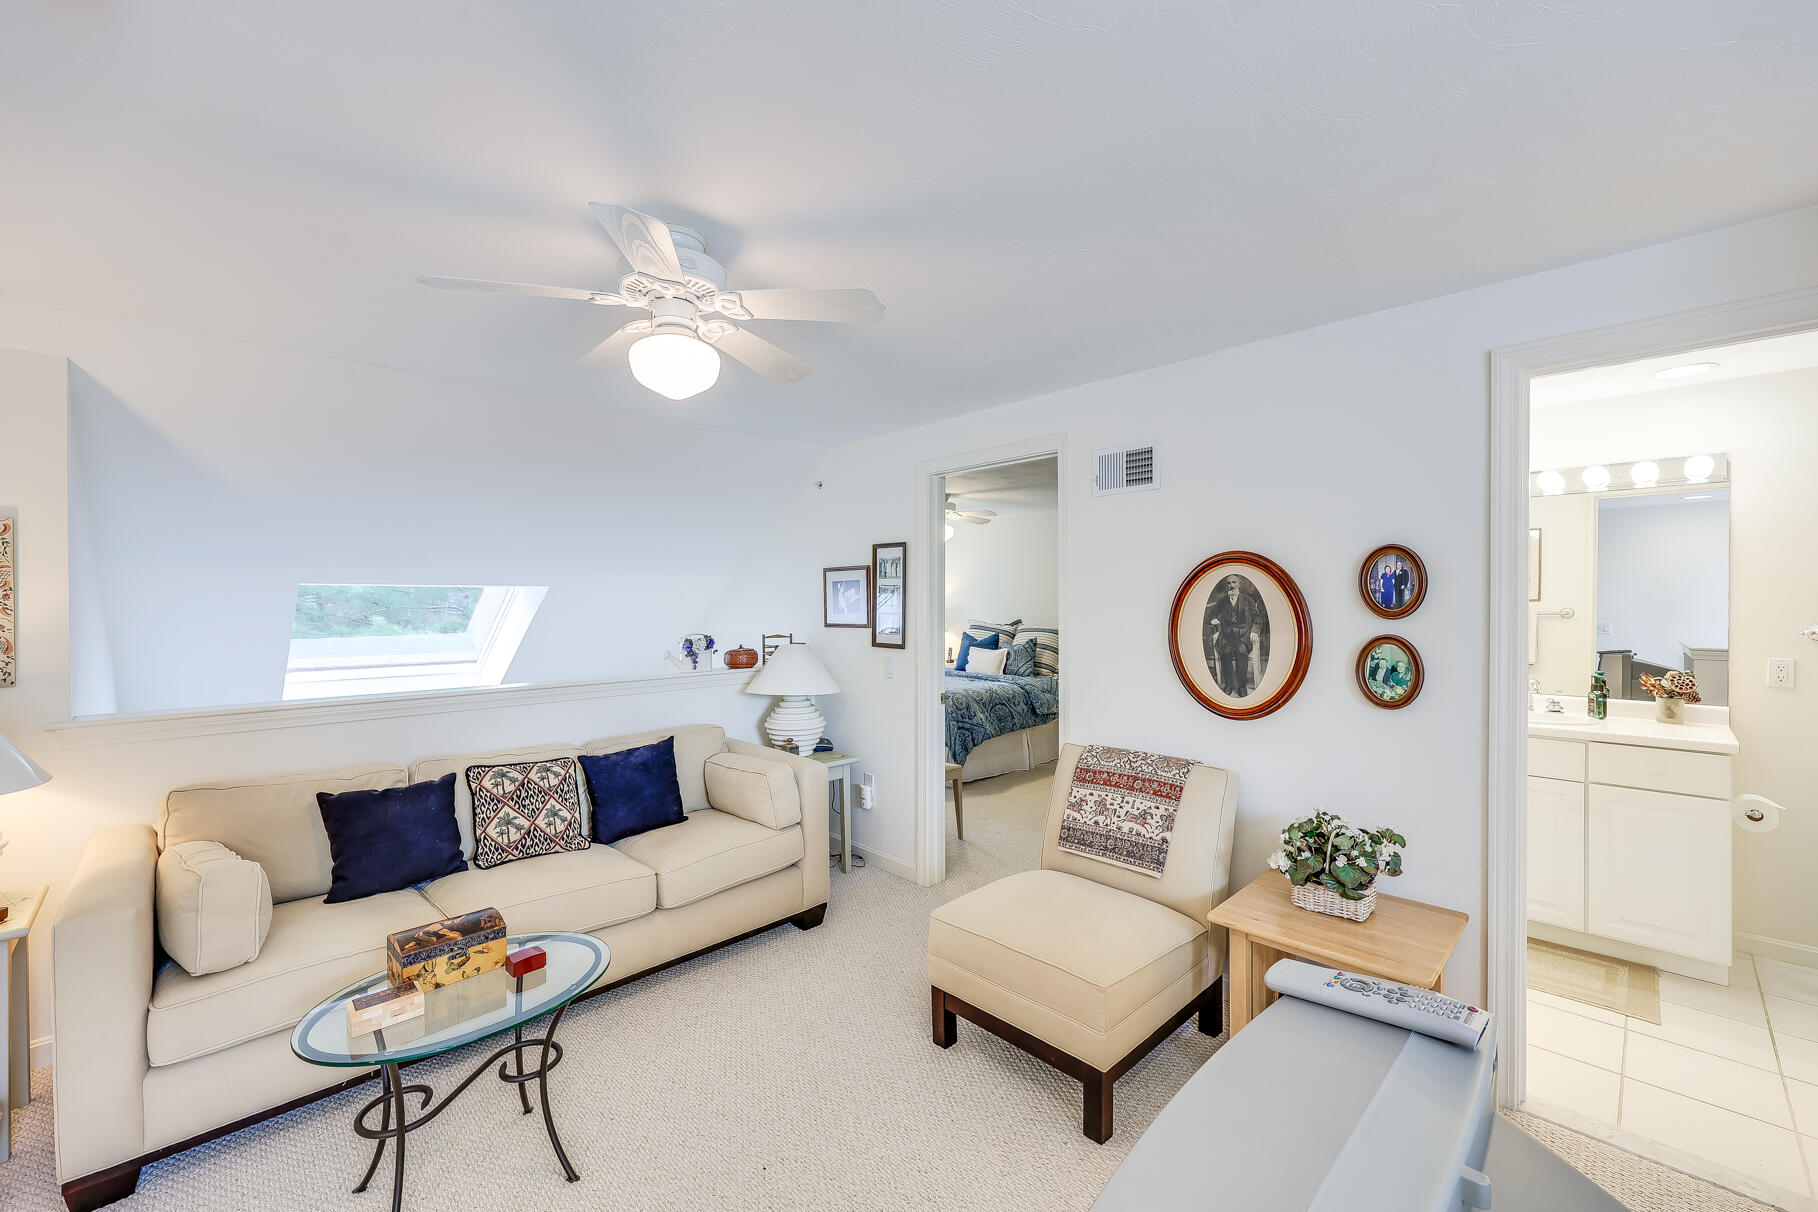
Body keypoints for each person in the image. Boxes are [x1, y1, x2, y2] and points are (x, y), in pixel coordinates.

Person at [1205, 576, 1258, 696]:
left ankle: (1242, 687)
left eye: (1234, 582)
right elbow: (1209, 615)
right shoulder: (1222, 601)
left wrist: (1254, 631)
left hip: (1243, 636)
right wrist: (1213, 619)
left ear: (1239, 584)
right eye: (1229, 583)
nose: (1231, 585)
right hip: (1227, 636)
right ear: (1227, 586)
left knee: (1241, 652)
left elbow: (1258, 618)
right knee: (1226, 652)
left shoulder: (1247, 600)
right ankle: (1228, 685)